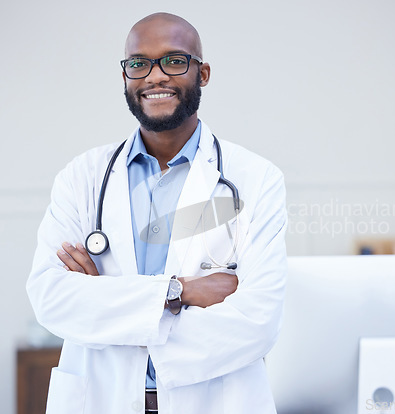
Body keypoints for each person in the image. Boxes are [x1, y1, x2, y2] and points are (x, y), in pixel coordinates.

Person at [26, 12, 287, 414]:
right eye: (139, 63)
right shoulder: (82, 177)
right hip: (100, 400)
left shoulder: (256, 179)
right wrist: (178, 293)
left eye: (175, 60)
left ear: (203, 74)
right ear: (126, 76)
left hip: (214, 402)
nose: (155, 76)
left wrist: (106, 300)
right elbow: (51, 299)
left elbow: (257, 322)